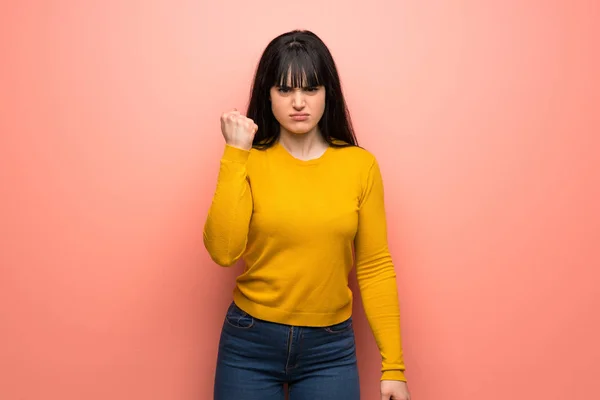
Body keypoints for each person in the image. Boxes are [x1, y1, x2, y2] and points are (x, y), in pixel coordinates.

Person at [203, 29, 411, 400]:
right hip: (250, 342)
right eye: (284, 90)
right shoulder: (249, 161)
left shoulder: (359, 166)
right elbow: (223, 252)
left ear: (327, 93)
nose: (299, 103)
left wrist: (393, 366)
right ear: (267, 95)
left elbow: (375, 265)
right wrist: (235, 153)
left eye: (310, 89)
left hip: (329, 351)